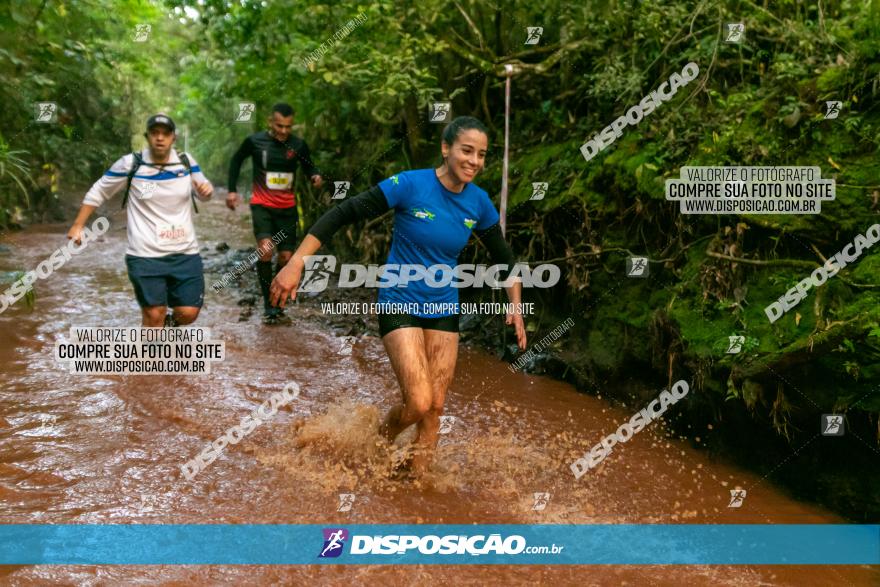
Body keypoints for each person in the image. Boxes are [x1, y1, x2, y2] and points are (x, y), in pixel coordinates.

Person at [269, 116, 527, 475]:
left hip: (442, 306)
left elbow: (504, 258)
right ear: (445, 148)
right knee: (419, 401)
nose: (474, 161)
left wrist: (516, 307)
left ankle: (414, 489)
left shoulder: (479, 203)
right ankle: (378, 442)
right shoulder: (410, 184)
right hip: (399, 300)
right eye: (467, 150)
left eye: (481, 155)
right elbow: (344, 212)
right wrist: (296, 263)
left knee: (435, 409)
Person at [67, 114, 213, 327]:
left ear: (173, 138)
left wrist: (206, 191)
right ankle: (149, 356)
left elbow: (203, 193)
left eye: (165, 134)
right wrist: (77, 225)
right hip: (145, 254)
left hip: (185, 252)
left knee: (188, 313)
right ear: (147, 137)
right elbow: (99, 191)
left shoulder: (186, 162)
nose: (160, 138)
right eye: (155, 133)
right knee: (155, 313)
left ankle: (162, 330)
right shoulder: (131, 164)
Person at [226, 102, 323, 323]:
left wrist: (315, 176)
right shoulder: (255, 141)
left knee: (286, 257)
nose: (283, 131)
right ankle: (269, 306)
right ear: (271, 122)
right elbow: (236, 160)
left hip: (287, 209)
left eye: (288, 127)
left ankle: (277, 299)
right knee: (266, 250)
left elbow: (310, 166)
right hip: (262, 206)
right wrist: (231, 190)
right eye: (279, 126)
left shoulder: (298, 145)